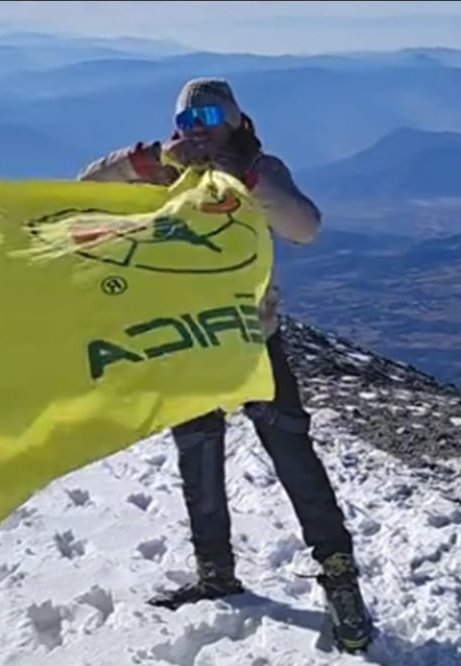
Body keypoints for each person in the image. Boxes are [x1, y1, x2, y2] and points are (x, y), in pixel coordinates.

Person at [78, 77, 375, 651]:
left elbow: (304, 227)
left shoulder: (261, 170)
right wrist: (146, 159)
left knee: (291, 452)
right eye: (187, 121)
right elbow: (83, 188)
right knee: (198, 449)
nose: (200, 130)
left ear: (237, 120)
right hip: (186, 339)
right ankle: (215, 570)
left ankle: (340, 578)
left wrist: (249, 177)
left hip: (250, 338)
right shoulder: (164, 171)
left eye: (211, 117)